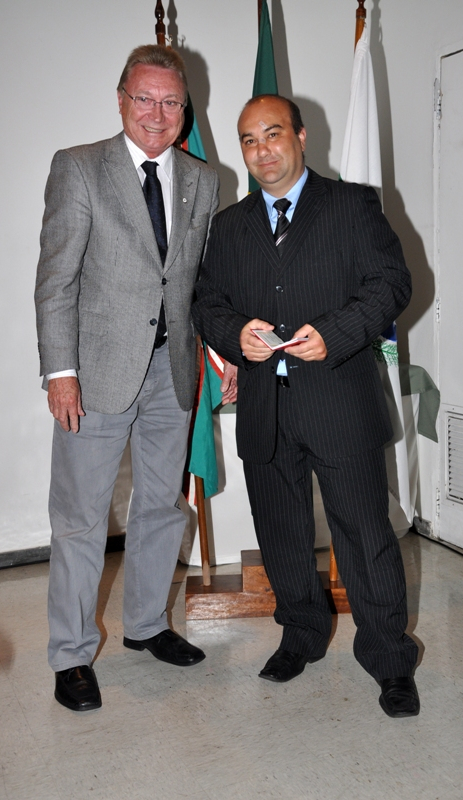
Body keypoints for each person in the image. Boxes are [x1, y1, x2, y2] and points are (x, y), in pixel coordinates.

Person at [192, 94, 420, 718]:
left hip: (339, 400)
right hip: (265, 407)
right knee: (282, 534)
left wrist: (338, 333)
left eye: (273, 134)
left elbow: (391, 283)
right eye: (249, 139)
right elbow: (206, 303)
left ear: (300, 135)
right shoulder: (228, 226)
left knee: (365, 536)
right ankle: (301, 634)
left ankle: (390, 660)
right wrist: (234, 333)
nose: (262, 149)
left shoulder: (352, 205)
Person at [34, 45, 220, 712]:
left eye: (171, 102)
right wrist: (61, 373)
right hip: (96, 376)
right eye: (145, 98)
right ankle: (71, 655)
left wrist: (219, 352)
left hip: (173, 374)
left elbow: (200, 281)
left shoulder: (203, 178)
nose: (157, 113)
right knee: (81, 519)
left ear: (184, 110)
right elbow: (55, 281)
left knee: (161, 508)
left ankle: (145, 624)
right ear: (121, 101)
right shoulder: (80, 167)